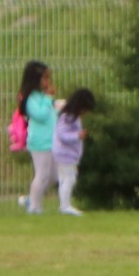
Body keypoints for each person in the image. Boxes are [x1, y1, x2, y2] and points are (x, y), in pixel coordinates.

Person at [19, 61, 60, 216]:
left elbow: (51, 115)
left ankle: (31, 198)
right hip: (40, 143)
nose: (48, 82)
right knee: (41, 175)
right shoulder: (30, 99)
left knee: (54, 176)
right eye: (45, 78)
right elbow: (41, 115)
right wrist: (49, 99)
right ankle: (34, 208)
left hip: (51, 141)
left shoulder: (42, 97)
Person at [50, 87, 93, 215]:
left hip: (68, 154)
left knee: (67, 179)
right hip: (65, 154)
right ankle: (65, 206)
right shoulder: (68, 117)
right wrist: (77, 135)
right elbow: (62, 134)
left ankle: (65, 204)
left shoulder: (72, 116)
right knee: (68, 179)